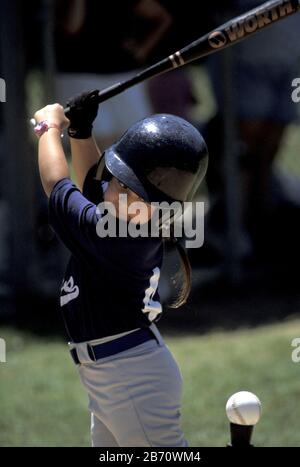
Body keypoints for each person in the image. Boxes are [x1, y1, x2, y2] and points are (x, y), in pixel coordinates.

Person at [32, 90, 208, 447]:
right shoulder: (127, 220)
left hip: (129, 375)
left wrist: (49, 127)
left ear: (154, 206)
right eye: (117, 180)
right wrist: (81, 131)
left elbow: (58, 186)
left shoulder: (115, 239)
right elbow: (93, 187)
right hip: (118, 370)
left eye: (127, 187)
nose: (112, 188)